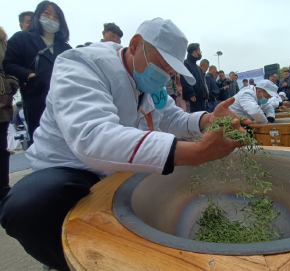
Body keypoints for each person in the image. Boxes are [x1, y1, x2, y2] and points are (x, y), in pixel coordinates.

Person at [0, 17, 252, 271]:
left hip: (120, 169)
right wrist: (195, 152)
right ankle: (73, 262)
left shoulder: (150, 82)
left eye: (170, 72)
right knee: (28, 206)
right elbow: (93, 138)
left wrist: (207, 120)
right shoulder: (82, 64)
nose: (164, 76)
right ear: (135, 44)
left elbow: (171, 117)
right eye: (162, 66)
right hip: (71, 169)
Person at [3, 1, 72, 145]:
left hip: (66, 99)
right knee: (43, 139)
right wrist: (30, 75)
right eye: (47, 13)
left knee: (69, 138)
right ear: (37, 15)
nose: (51, 18)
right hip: (38, 97)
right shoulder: (21, 38)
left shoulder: (65, 46)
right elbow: (9, 63)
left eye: (56, 17)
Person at [0, 27, 19, 201]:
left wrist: (10, 84)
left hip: (1, 101)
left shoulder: (3, 42)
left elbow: (9, 65)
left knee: (1, 148)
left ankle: (3, 186)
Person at [181, 43, 208, 113]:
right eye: (199, 51)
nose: (200, 53)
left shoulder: (198, 67)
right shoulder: (186, 64)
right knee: (192, 118)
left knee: (201, 117)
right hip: (193, 99)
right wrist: (191, 94)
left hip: (200, 98)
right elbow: (185, 79)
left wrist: (205, 95)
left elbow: (202, 83)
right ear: (194, 52)